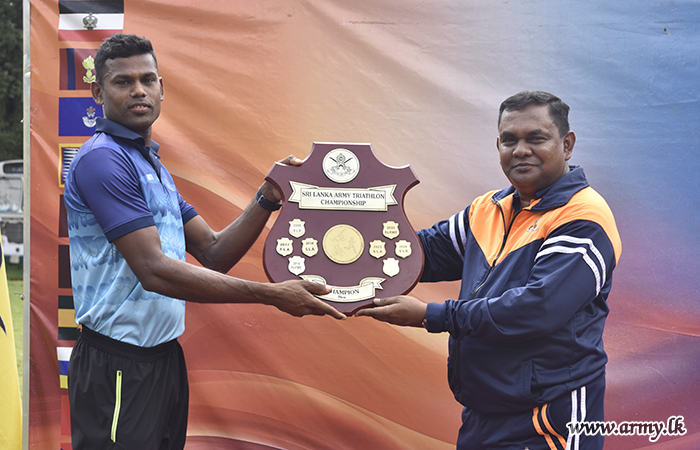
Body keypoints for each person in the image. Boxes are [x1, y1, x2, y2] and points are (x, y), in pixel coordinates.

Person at [63, 34, 345, 450]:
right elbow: (154, 271)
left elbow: (213, 252)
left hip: (162, 358)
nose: (139, 90)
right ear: (98, 93)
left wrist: (267, 196)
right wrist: (271, 295)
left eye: (147, 79)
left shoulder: (150, 164)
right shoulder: (103, 159)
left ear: (162, 88)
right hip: (118, 363)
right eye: (123, 82)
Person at [357, 91, 621, 450]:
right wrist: (341, 235)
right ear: (498, 146)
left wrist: (430, 315)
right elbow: (419, 254)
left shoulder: (583, 216)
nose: (521, 150)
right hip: (482, 412)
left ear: (567, 144)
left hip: (548, 418)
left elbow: (537, 308)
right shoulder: (488, 207)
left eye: (536, 138)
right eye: (509, 140)